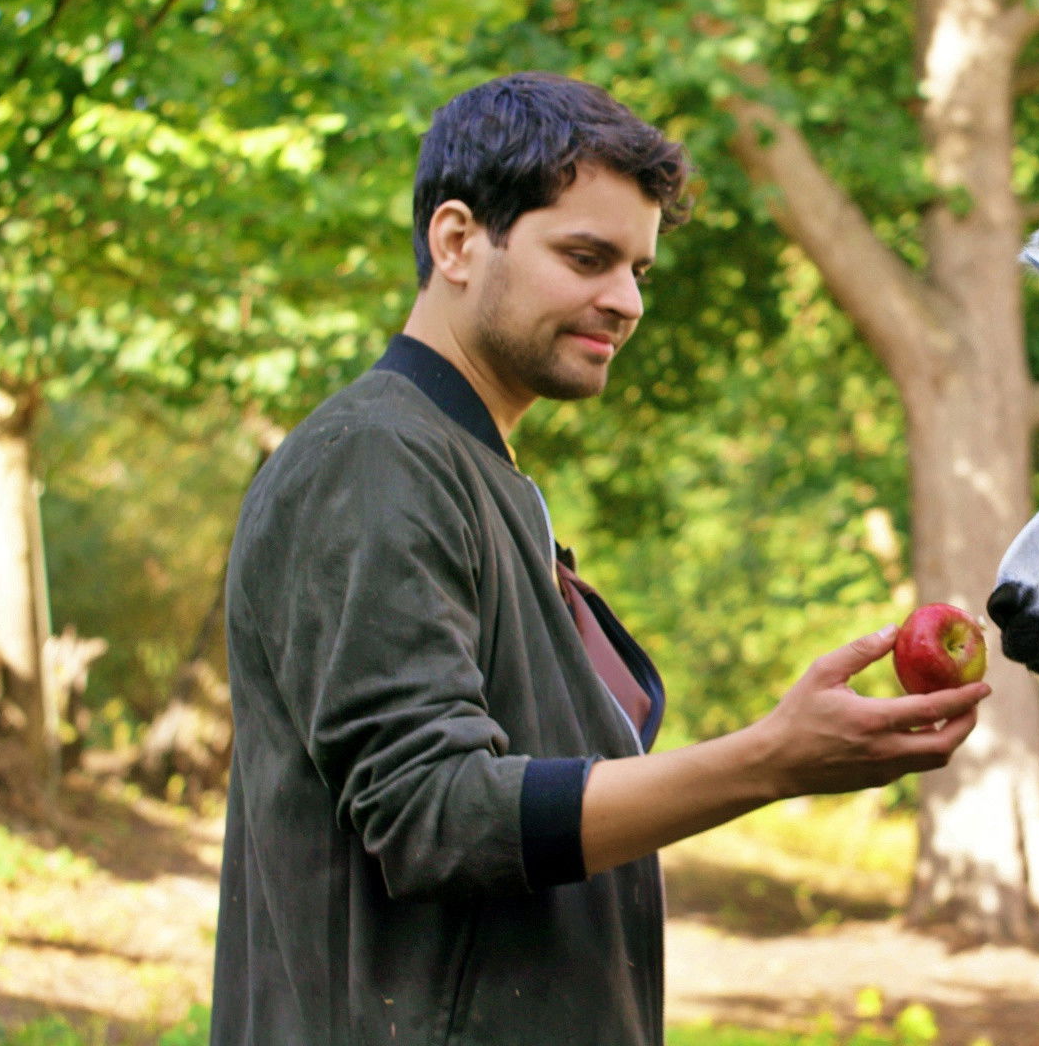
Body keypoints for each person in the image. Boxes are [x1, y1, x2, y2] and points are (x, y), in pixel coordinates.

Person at [211, 72, 991, 1045]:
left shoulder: (477, 473)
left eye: (638, 270)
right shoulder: (374, 455)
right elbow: (434, 814)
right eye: (586, 256)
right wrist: (769, 761)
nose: (623, 301)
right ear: (456, 241)